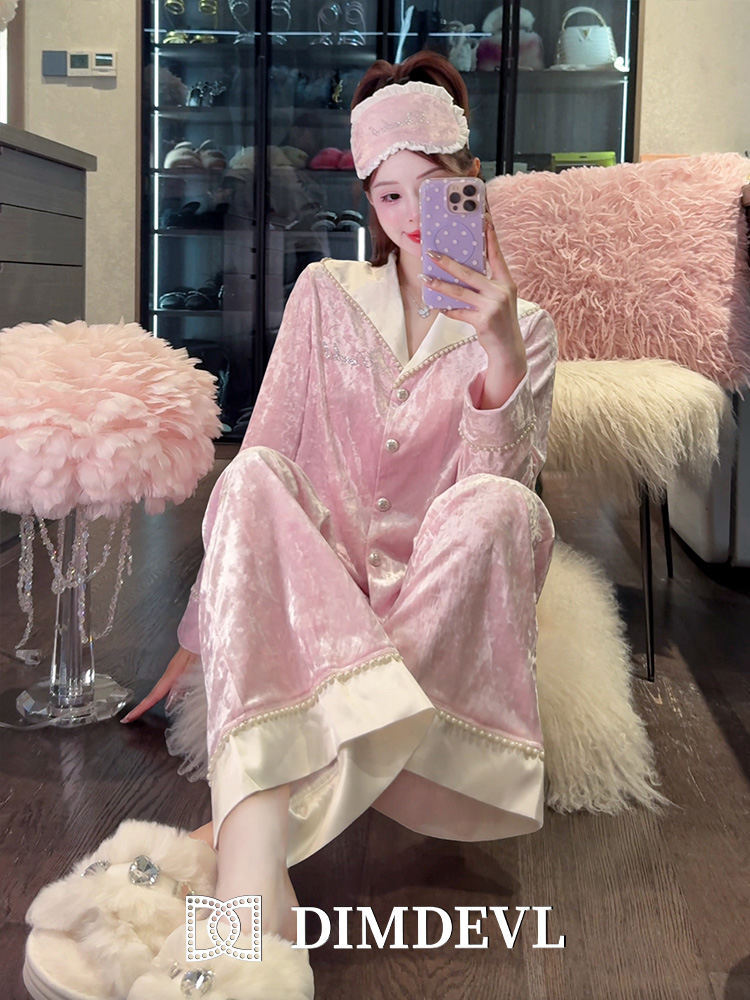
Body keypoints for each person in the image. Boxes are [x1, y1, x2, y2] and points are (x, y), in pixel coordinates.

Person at [24, 51, 557, 1000]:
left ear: (470, 184)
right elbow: (267, 451)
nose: (409, 216)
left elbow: (497, 509)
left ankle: (230, 878)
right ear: (369, 203)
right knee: (252, 472)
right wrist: (204, 630)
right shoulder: (325, 293)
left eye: (432, 189)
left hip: (438, 603)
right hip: (322, 585)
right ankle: (250, 898)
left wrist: (500, 346)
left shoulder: (528, 328)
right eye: (387, 195)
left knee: (505, 506)